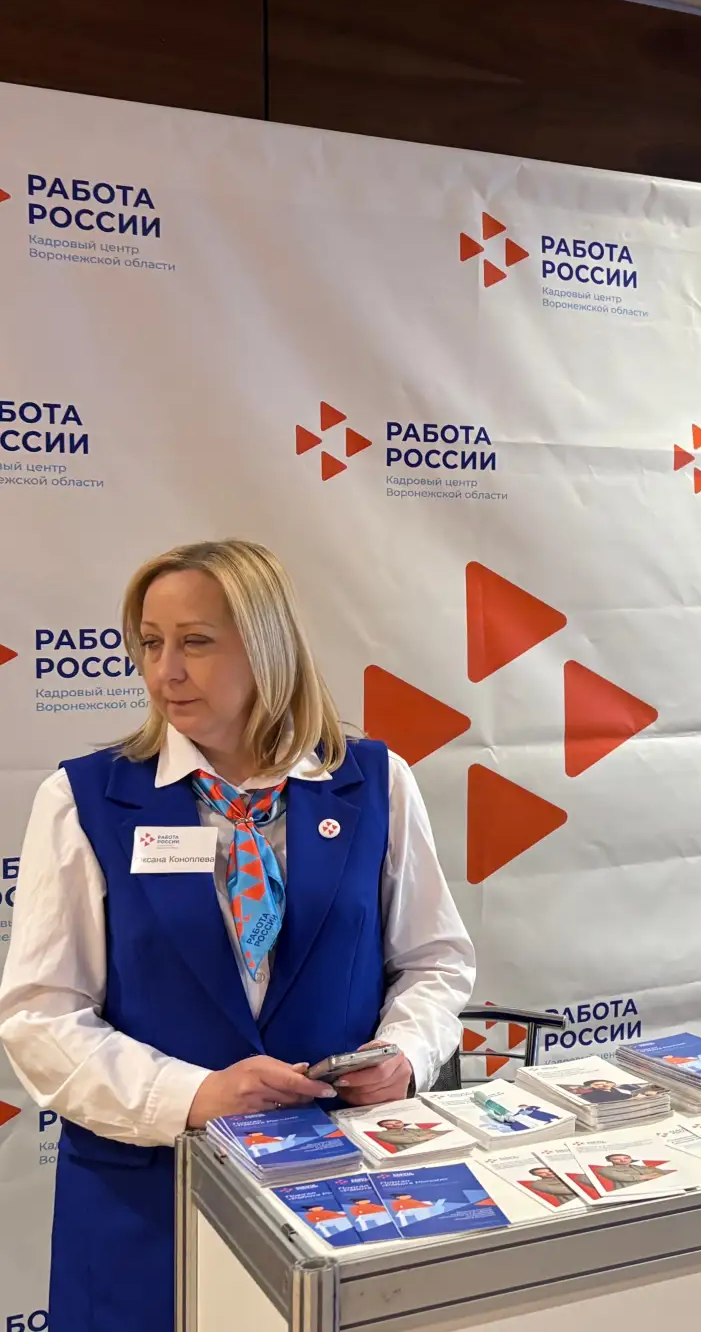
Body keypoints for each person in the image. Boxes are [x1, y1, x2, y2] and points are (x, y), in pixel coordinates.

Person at [0, 539, 475, 1332]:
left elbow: (434, 961)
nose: (165, 672)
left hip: (344, 1197)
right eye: (150, 643)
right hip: (144, 1213)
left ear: (268, 647)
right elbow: (41, 1017)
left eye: (195, 642)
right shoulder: (85, 799)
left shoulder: (375, 784)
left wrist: (406, 1053)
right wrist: (194, 1096)